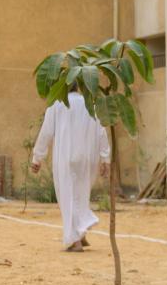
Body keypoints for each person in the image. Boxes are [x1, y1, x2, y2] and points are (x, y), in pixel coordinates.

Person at [30, 89, 110, 252]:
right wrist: (105, 158)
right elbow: (101, 131)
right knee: (81, 195)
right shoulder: (91, 104)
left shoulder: (57, 104)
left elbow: (46, 132)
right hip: (88, 158)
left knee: (68, 196)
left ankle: (75, 241)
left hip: (66, 156)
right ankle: (81, 233)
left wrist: (37, 157)